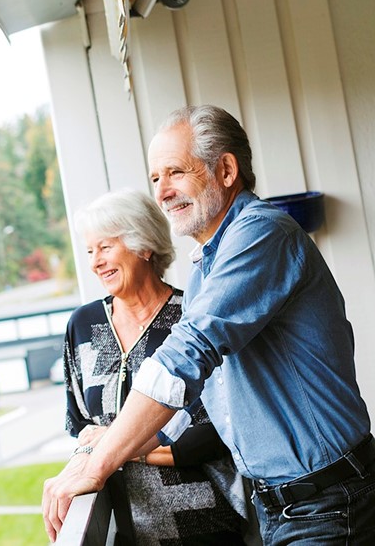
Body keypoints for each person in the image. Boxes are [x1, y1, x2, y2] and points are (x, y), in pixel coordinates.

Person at [43, 105, 375, 545]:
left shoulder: (262, 235)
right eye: (155, 178)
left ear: (226, 170)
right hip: (283, 506)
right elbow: (201, 407)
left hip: (331, 505)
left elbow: (185, 356)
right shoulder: (207, 268)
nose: (164, 191)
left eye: (176, 172)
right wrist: (106, 442)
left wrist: (96, 467)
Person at [60, 189, 248, 545]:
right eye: (89, 251)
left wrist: (113, 446)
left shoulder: (192, 316)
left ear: (144, 246)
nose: (95, 262)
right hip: (126, 527)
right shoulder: (82, 326)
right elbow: (82, 425)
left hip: (206, 524)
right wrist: (104, 447)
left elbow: (212, 433)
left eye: (105, 247)